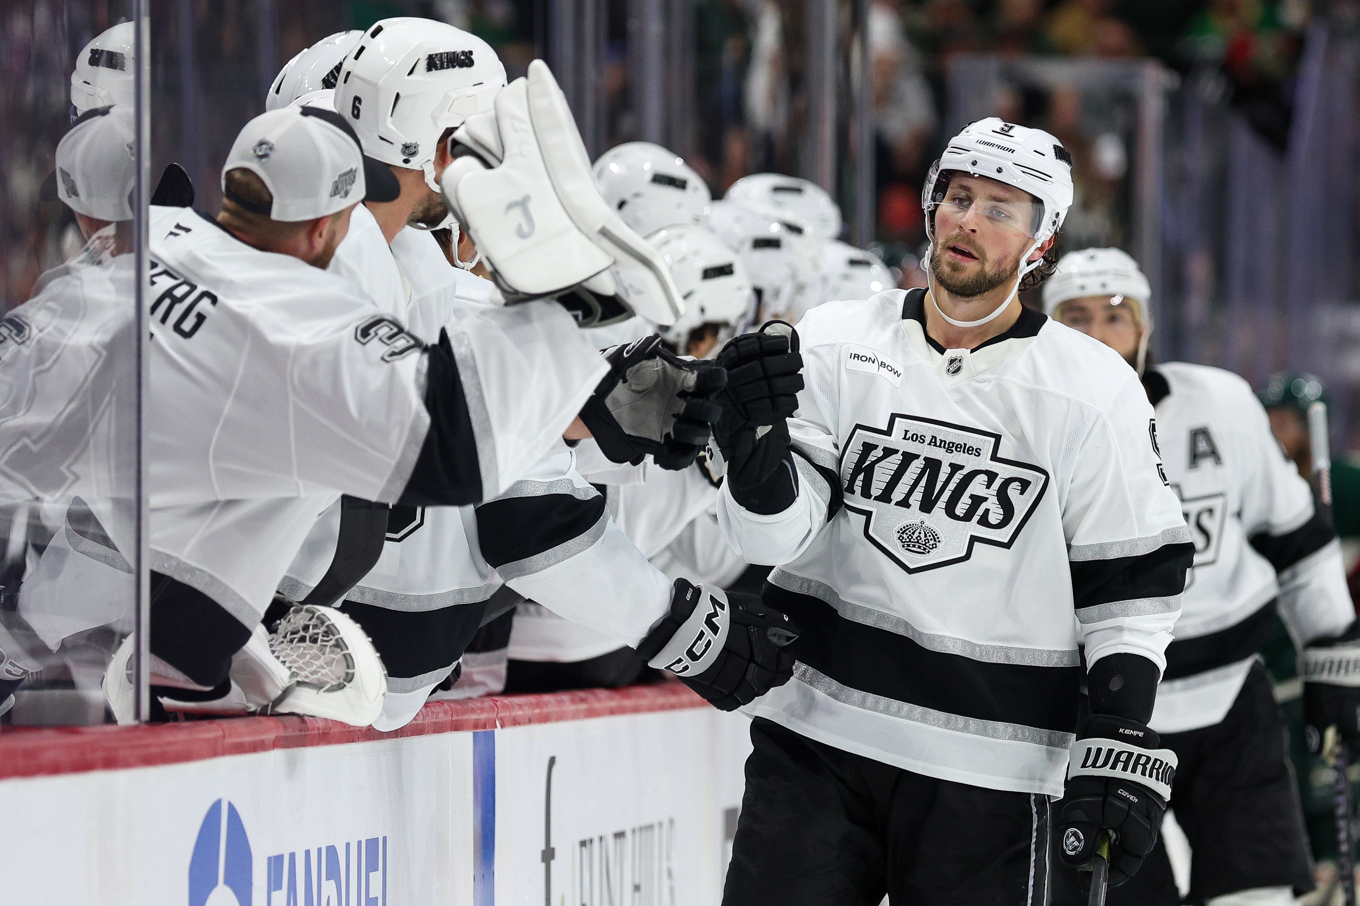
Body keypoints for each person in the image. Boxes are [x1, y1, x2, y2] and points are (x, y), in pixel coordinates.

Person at [712, 118, 1194, 904]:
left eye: (1002, 208)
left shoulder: (1093, 388)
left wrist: (1119, 732)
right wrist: (755, 458)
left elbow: (1132, 590)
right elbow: (775, 536)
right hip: (818, 740)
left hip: (998, 772)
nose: (969, 218)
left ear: (1042, 243)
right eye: (959, 196)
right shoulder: (836, 337)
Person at [1045, 248, 1355, 905]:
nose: (1099, 335)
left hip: (1230, 703)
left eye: (1115, 316)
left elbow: (1295, 536)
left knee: (1260, 899)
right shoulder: (1022, 424)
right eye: (1077, 318)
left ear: (1146, 329)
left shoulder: (1222, 403)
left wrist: (1331, 648)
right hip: (1099, 718)